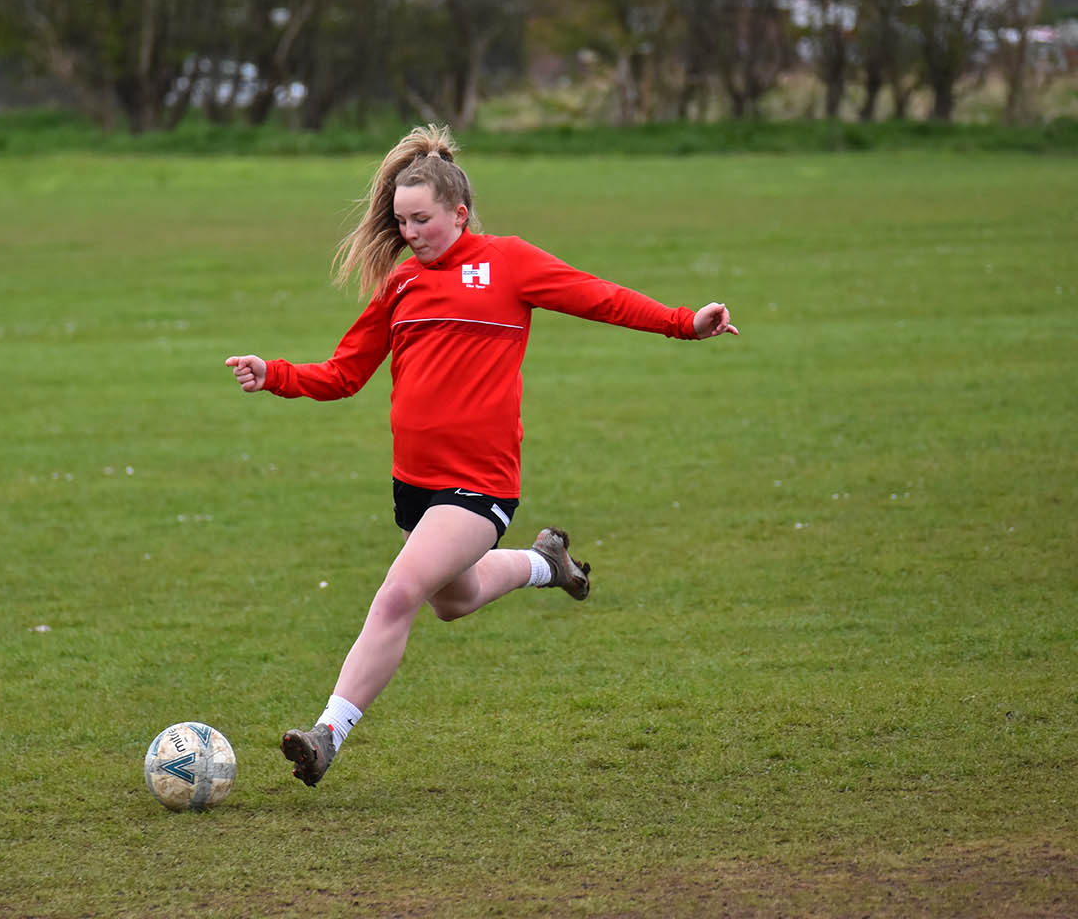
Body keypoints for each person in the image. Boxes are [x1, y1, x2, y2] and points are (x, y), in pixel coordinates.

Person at [225, 124, 738, 788]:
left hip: (479, 484)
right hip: (414, 485)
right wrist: (276, 373)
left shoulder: (509, 263)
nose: (411, 233)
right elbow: (346, 373)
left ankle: (328, 734)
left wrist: (682, 321)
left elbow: (598, 296)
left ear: (459, 213)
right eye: (402, 221)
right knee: (453, 599)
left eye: (423, 219)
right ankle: (544, 563)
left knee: (400, 593)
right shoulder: (400, 287)